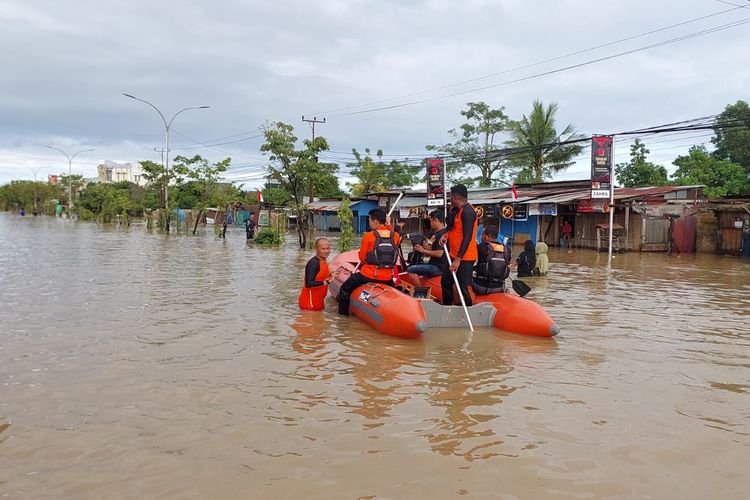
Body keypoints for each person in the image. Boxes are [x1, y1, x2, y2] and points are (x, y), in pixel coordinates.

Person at [338, 208, 401, 316]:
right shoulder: (395, 236)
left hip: (368, 275)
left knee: (344, 289)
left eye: (370, 221)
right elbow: (392, 235)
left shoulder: (369, 236)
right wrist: (388, 224)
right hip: (387, 278)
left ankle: (342, 317)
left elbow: (362, 258)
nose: (369, 223)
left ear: (375, 221)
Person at [438, 184, 478, 306]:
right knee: (445, 282)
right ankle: (448, 307)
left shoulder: (468, 212)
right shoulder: (458, 211)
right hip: (453, 254)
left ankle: (470, 310)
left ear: (456, 197)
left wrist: (458, 259)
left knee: (464, 286)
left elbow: (467, 237)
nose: (449, 199)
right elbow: (454, 229)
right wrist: (446, 235)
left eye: (450, 196)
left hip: (464, 257)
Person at [406, 210, 448, 281]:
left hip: (438, 267)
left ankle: (419, 292)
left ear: (436, 220)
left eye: (431, 221)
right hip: (434, 264)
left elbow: (439, 253)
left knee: (411, 269)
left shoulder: (442, 235)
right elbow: (435, 248)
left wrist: (423, 250)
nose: (430, 224)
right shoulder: (439, 233)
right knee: (414, 265)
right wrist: (425, 247)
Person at [299, 238, 339, 311]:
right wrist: (328, 281)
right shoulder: (313, 263)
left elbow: (320, 276)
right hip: (309, 304)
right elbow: (308, 283)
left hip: (319, 302)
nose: (326, 251)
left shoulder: (323, 261)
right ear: (316, 249)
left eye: (328, 248)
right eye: (323, 249)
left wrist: (331, 275)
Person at [473, 225, 511, 295]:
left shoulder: (481, 247)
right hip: (500, 287)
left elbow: (470, 262)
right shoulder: (507, 250)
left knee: (463, 280)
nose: (481, 237)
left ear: (488, 236)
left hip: (482, 287)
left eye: (482, 235)